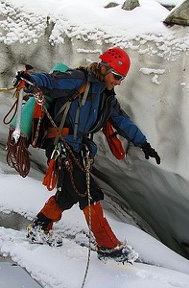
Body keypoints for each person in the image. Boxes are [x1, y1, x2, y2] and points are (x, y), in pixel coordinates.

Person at [15, 47, 160, 263]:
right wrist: (30, 79)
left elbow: (121, 121)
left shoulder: (107, 97)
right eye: (117, 76)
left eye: (122, 78)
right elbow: (52, 81)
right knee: (88, 191)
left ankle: (39, 227)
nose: (119, 82)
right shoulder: (78, 79)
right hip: (61, 146)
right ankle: (107, 246)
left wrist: (144, 143)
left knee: (68, 194)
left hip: (78, 149)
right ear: (104, 68)